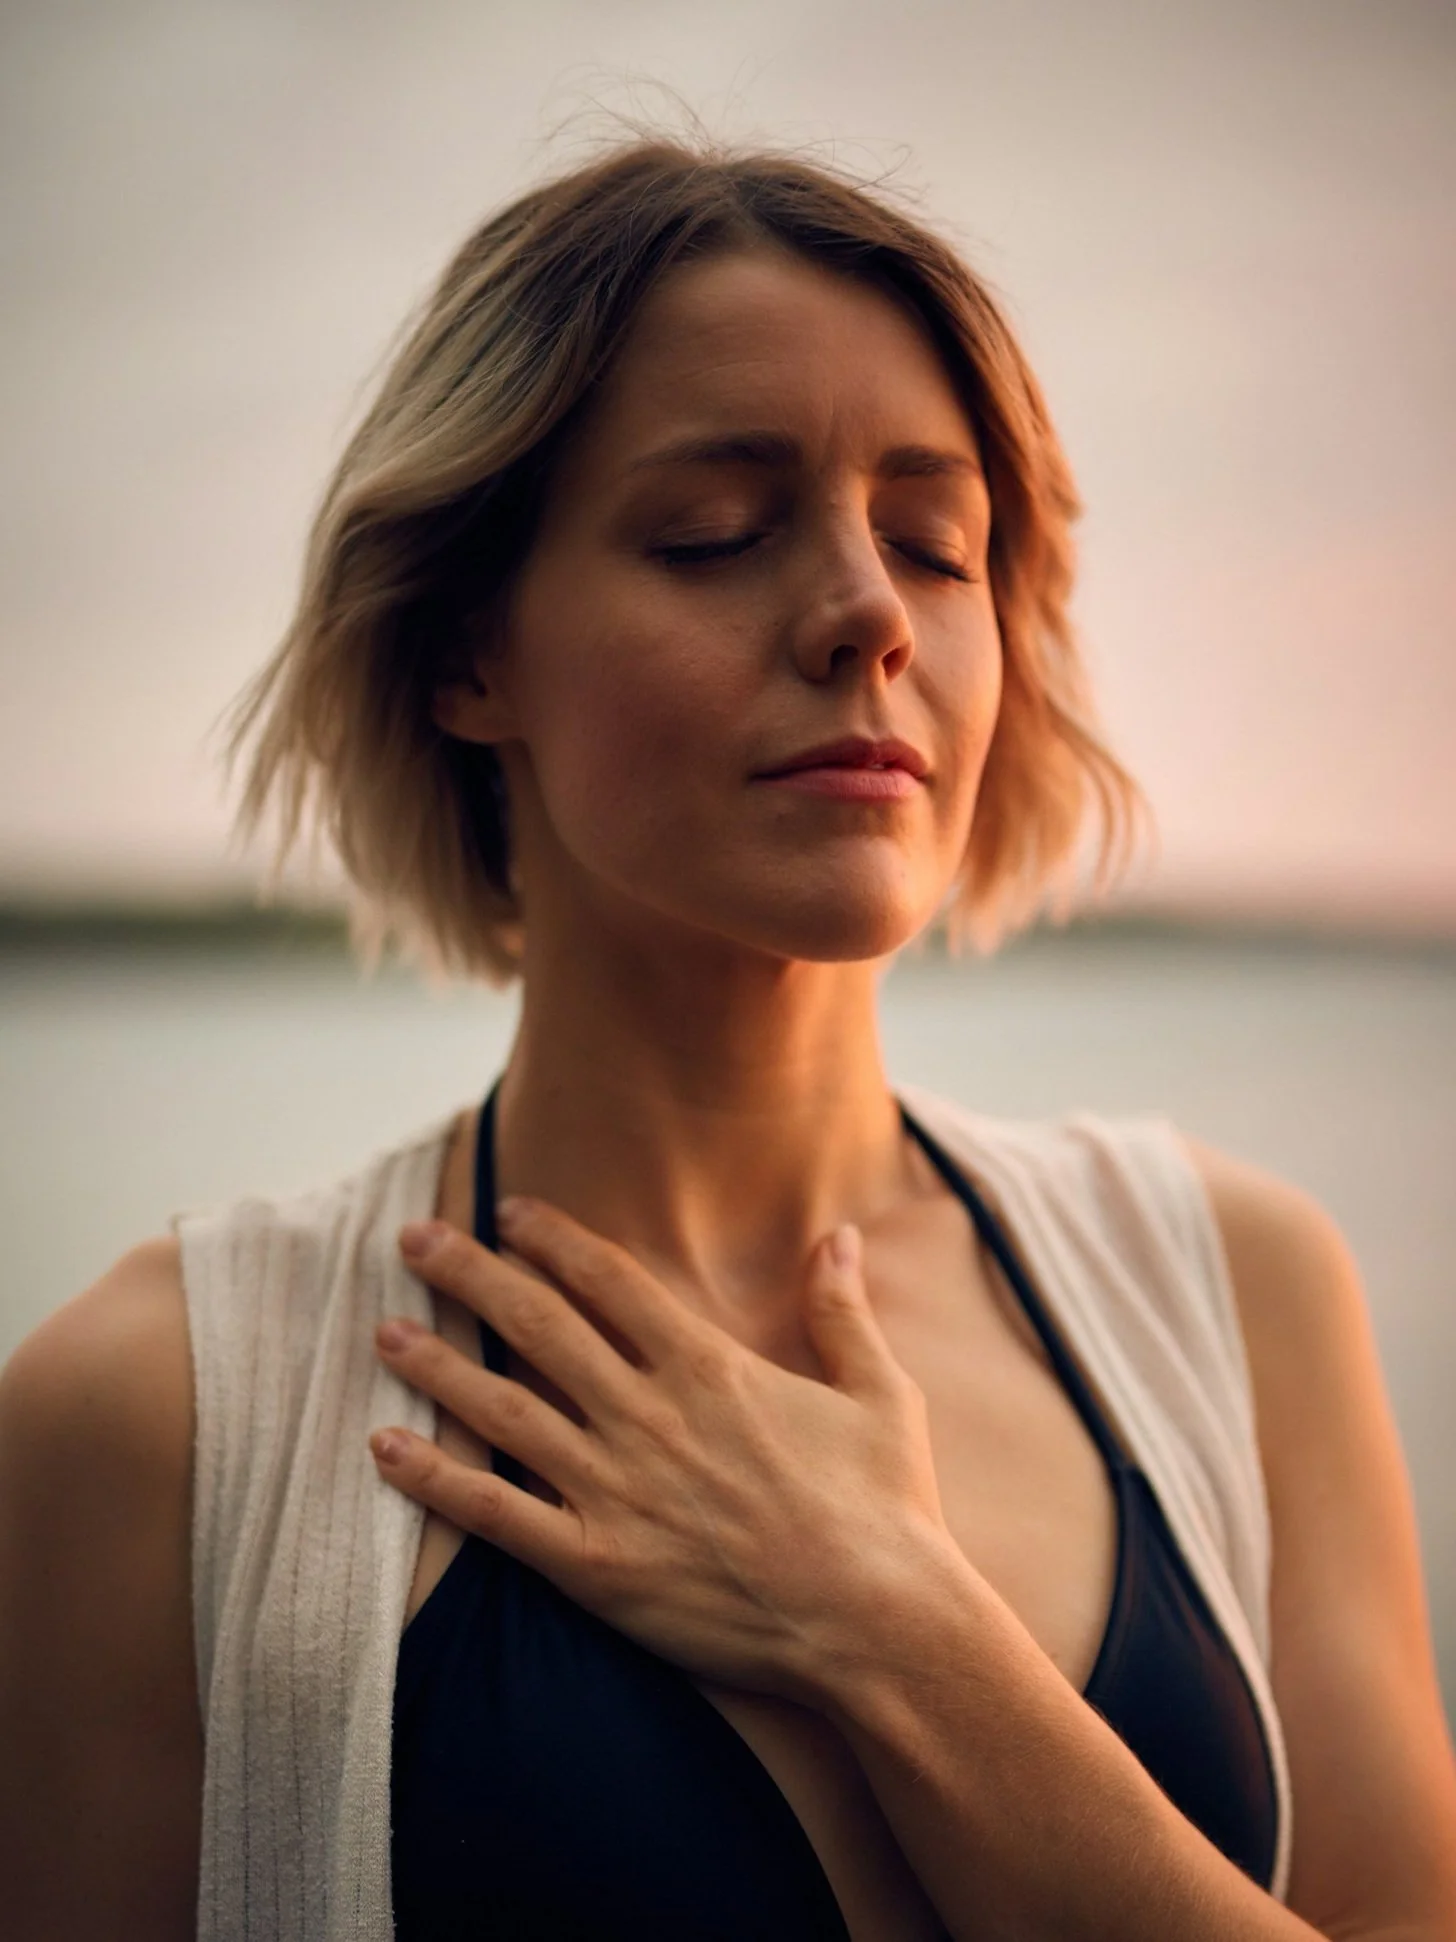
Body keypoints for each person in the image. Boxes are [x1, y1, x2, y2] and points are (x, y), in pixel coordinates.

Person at [2, 133, 1454, 1942]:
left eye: (935, 544)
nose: (866, 615)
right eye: (715, 534)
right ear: (470, 655)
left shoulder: (1239, 1298)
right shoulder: (156, 1416)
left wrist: (897, 1627)